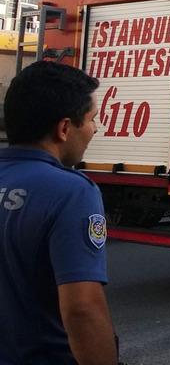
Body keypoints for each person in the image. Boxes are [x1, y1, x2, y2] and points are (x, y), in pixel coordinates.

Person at [0, 61, 118, 365]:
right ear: (64, 128)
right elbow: (82, 309)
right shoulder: (71, 192)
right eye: (92, 119)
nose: (95, 129)